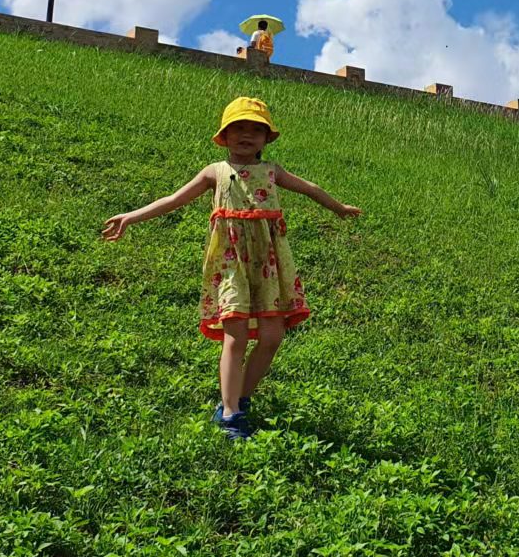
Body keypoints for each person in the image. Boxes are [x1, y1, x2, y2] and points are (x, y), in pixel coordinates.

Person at [100, 97, 362, 440]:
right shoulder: (215, 172)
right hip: (231, 262)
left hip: (268, 263)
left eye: (256, 129)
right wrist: (130, 217)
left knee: (273, 336)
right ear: (224, 136)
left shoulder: (273, 172)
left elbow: (310, 189)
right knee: (235, 336)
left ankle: (241, 397)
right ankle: (229, 414)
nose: (247, 134)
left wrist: (338, 207)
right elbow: (173, 200)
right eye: (238, 127)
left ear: (267, 139)